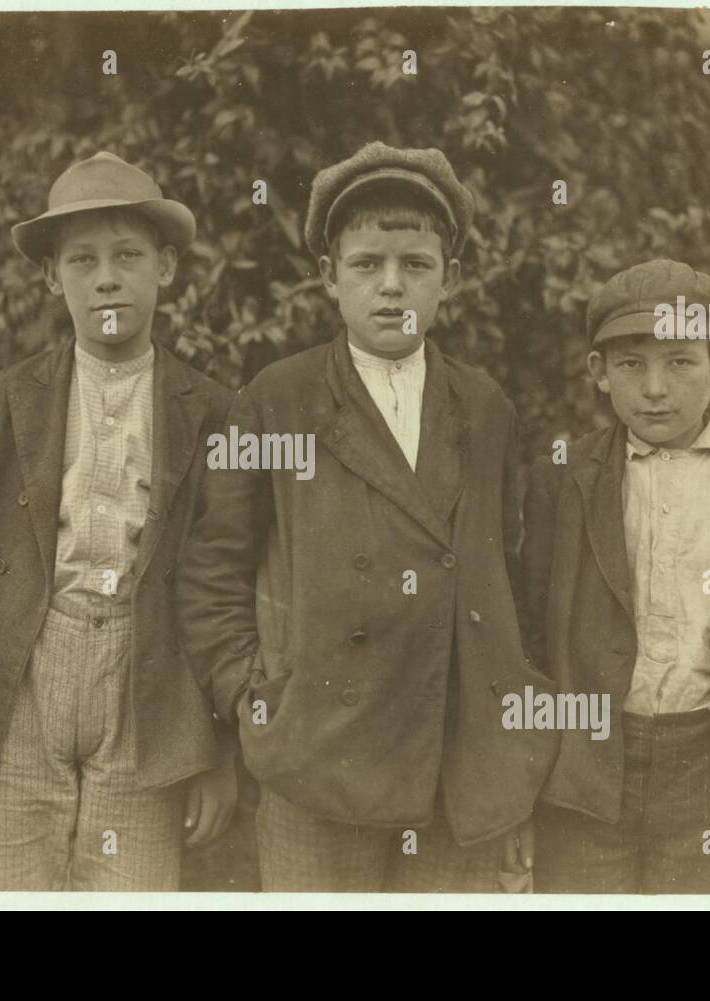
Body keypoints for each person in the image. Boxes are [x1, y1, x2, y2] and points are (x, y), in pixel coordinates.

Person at [177, 142, 553, 891]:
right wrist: (259, 697)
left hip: (456, 764)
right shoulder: (277, 401)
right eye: (367, 264)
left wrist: (514, 741)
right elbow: (212, 568)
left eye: (415, 264)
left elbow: (510, 580)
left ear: (450, 276)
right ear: (328, 277)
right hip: (320, 762)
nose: (391, 287)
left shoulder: (483, 409)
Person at [0, 152, 238, 890]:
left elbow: (223, 589)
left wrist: (213, 751)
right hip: (20, 678)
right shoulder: (5, 400)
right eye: (82, 260)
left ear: (164, 267)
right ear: (50, 276)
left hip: (146, 684)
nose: (105, 278)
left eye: (127, 256)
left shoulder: (212, 409)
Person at [523, 258, 710, 893]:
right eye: (631, 364)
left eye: (680, 361)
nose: (654, 388)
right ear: (599, 374)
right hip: (585, 773)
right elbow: (530, 640)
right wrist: (521, 791)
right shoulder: (566, 478)